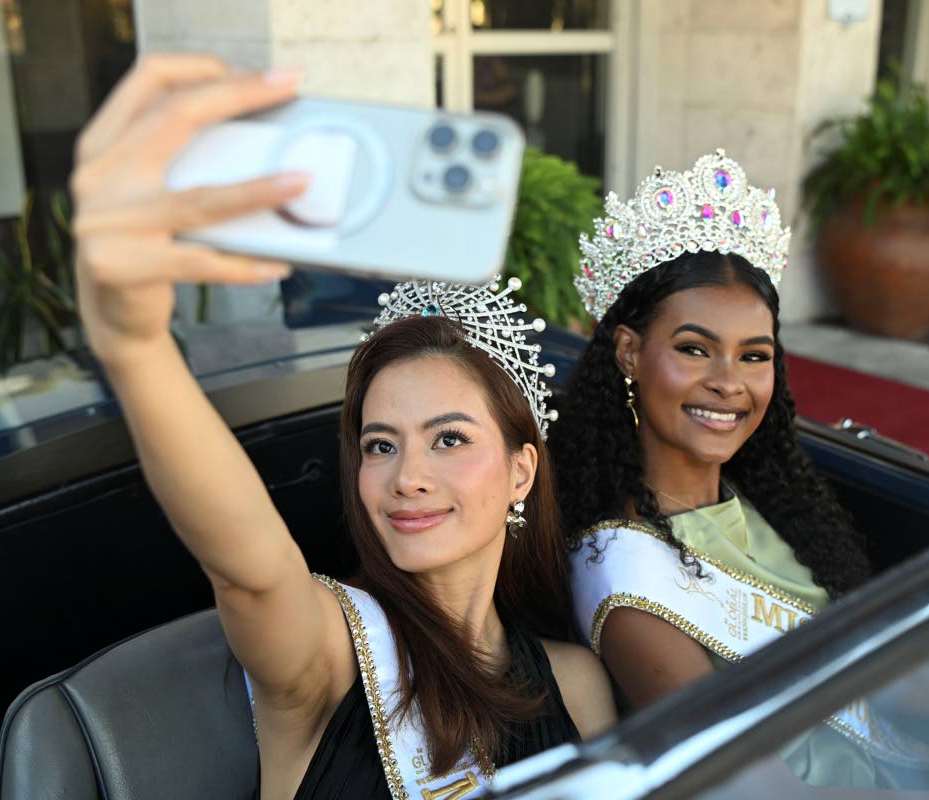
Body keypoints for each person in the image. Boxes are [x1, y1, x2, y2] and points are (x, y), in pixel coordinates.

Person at [71, 54, 614, 799]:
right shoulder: (328, 654)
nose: (406, 477)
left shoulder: (576, 683)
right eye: (379, 445)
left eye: (449, 439)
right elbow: (249, 571)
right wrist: (133, 345)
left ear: (522, 470)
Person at [548, 150, 929, 796]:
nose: (728, 382)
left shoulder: (757, 500)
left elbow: (854, 665)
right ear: (630, 353)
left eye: (754, 356)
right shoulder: (623, 576)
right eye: (694, 349)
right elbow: (760, 790)